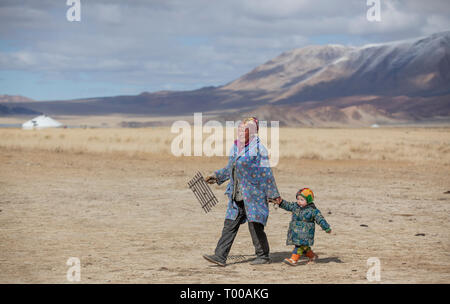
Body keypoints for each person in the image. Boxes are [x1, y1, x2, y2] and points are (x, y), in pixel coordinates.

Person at [203, 117, 280, 266]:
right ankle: (220, 256)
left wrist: (273, 194)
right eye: (239, 128)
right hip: (236, 194)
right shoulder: (235, 147)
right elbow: (231, 167)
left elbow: (267, 173)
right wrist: (216, 176)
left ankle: (263, 256)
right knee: (229, 224)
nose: (240, 132)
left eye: (244, 129)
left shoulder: (259, 150)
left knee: (255, 225)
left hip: (253, 195)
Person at [271, 188, 331, 266]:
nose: (299, 201)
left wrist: (326, 227)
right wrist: (281, 202)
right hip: (295, 232)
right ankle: (313, 256)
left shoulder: (313, 210)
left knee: (299, 247)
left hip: (306, 233)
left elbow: (320, 219)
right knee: (305, 247)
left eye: (302, 199)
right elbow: (288, 205)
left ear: (308, 200)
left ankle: (293, 260)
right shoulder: (295, 206)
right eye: (298, 199)